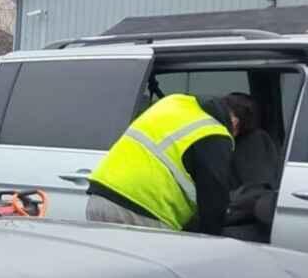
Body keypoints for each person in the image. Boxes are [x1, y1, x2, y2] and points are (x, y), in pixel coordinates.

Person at [86, 92, 251, 235]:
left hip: (99, 199)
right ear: (235, 123)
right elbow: (213, 198)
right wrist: (210, 241)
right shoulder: (215, 133)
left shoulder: (174, 101)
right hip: (143, 213)